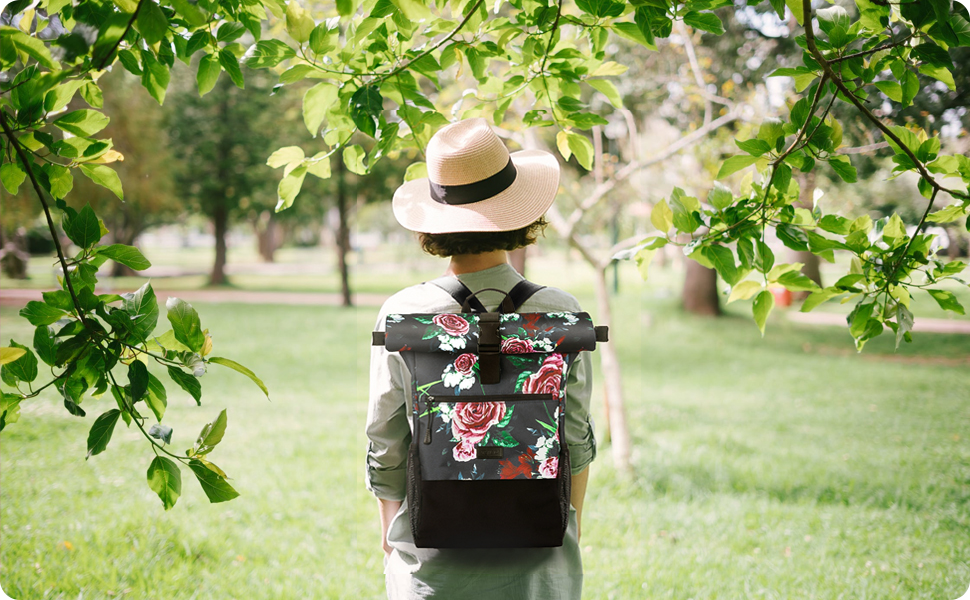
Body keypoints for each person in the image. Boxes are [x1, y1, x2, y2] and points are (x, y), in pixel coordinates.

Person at [365, 118, 597, 599]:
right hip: (538, 572)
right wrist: (564, 530)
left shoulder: (404, 313)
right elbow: (574, 438)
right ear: (519, 214)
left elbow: (386, 439)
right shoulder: (562, 312)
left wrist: (394, 541)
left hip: (431, 571)